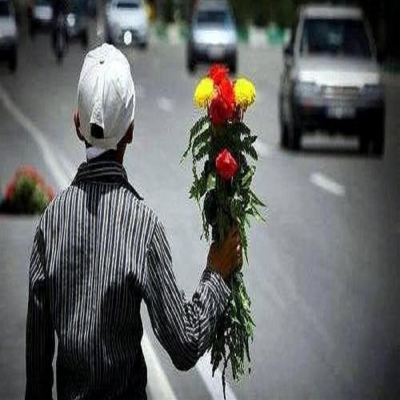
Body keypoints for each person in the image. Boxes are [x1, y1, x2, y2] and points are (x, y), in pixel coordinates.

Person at [25, 44, 241, 399]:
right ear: (130, 131)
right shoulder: (143, 226)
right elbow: (185, 345)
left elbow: (37, 372)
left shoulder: (51, 221)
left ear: (78, 125)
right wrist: (216, 274)